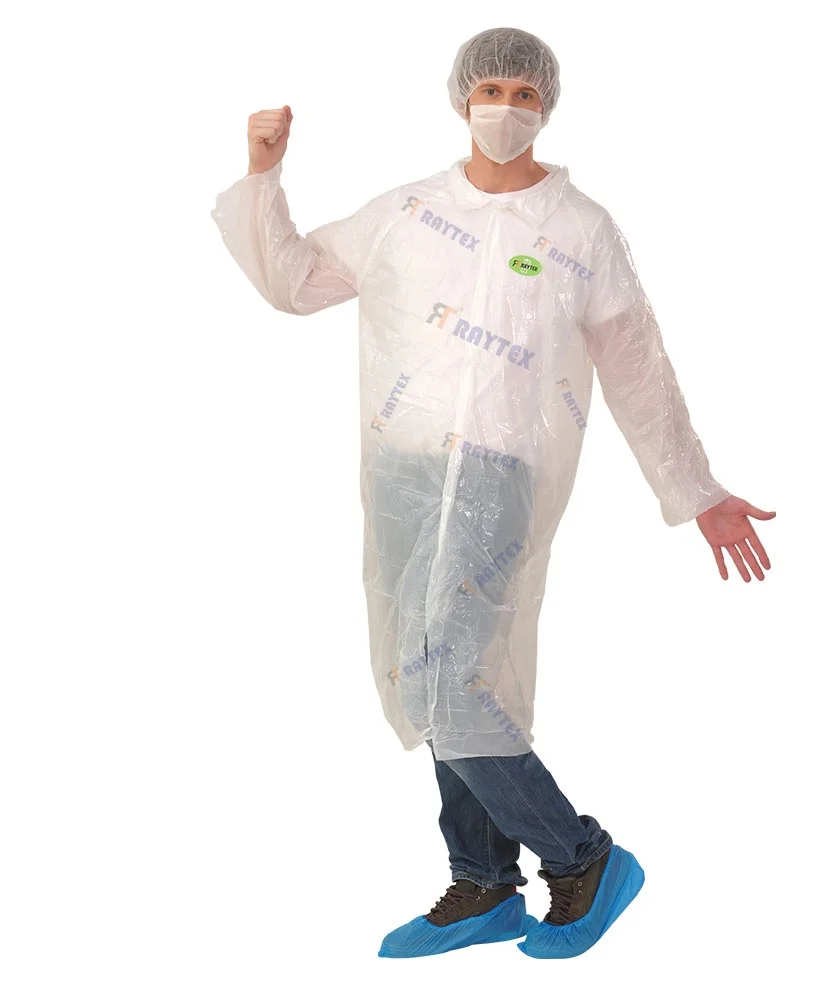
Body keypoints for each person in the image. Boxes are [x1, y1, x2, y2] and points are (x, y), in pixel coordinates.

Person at [210, 26, 775, 960]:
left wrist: (695, 487)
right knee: (425, 671)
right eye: (491, 90)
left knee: (453, 679)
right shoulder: (409, 211)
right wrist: (263, 175)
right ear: (461, 98)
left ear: (546, 106)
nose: (505, 108)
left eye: (524, 93)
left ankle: (583, 857)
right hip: (404, 469)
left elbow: (637, 369)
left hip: (498, 475)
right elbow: (297, 282)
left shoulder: (580, 229)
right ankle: (482, 882)